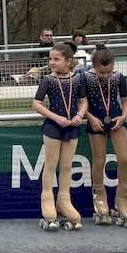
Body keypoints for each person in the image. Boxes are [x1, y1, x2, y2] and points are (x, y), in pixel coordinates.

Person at [32, 43, 87, 231]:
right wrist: (56, 118)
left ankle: (64, 199)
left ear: (69, 61)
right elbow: (36, 104)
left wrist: (80, 115)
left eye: (56, 59)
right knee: (50, 164)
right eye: (50, 59)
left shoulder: (78, 79)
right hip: (53, 127)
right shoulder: (48, 80)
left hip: (72, 127)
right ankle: (47, 198)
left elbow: (83, 102)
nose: (52, 62)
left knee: (67, 166)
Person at [82, 45, 127, 227]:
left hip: (116, 119)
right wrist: (90, 118)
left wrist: (124, 116)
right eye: (101, 72)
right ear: (93, 66)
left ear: (113, 65)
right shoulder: (85, 78)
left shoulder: (118, 77)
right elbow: (81, 103)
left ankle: (123, 197)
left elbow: (126, 100)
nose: (105, 75)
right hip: (95, 120)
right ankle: (99, 196)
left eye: (108, 71)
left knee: (124, 159)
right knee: (99, 160)